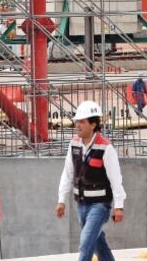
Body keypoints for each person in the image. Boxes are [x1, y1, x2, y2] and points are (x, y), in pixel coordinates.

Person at [55, 100, 126, 261]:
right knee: (98, 243)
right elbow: (67, 174)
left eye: (82, 121)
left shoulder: (105, 148)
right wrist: (61, 200)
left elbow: (116, 179)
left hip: (100, 205)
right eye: (77, 121)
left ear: (93, 124)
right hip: (81, 204)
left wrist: (119, 206)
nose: (78, 125)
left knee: (86, 243)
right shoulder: (74, 144)